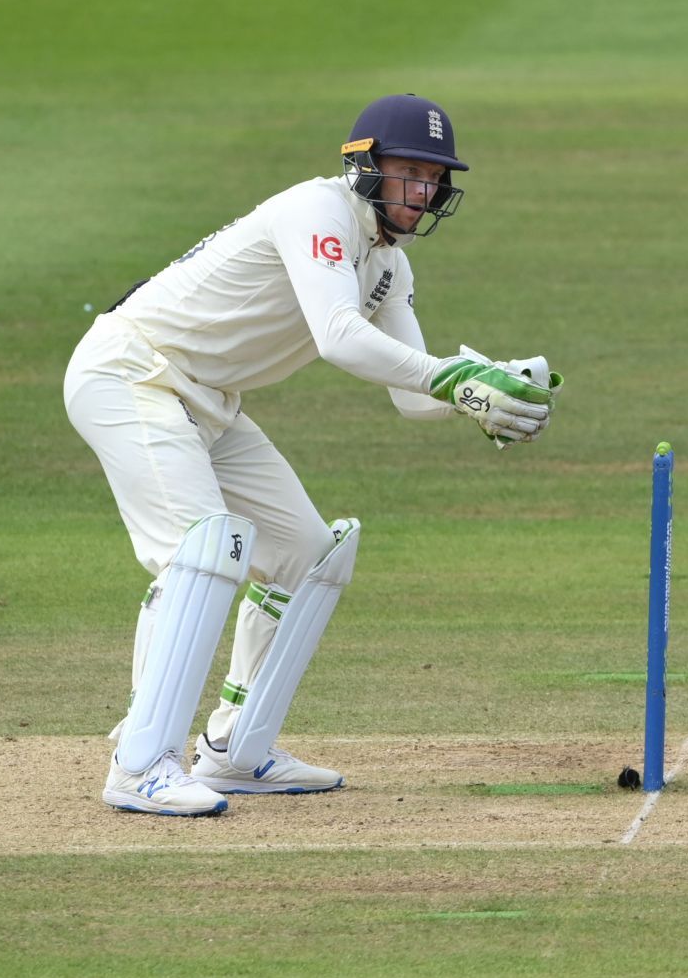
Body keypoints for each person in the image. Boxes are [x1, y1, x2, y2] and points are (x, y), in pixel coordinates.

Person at [64, 94, 560, 816]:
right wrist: (456, 380)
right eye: (408, 172)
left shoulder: (389, 265)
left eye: (432, 177)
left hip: (209, 399)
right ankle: (141, 762)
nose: (422, 191)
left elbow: (413, 393)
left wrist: (491, 381)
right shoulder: (316, 211)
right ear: (365, 166)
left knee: (305, 550)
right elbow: (335, 334)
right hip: (132, 373)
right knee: (206, 548)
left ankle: (234, 749)